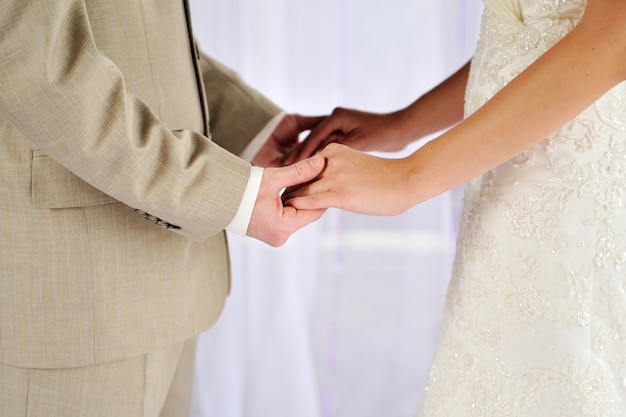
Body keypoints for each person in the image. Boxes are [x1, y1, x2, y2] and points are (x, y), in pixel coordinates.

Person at [286, 0, 626, 414]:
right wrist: (403, 124)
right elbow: (529, 28)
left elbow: (613, 41)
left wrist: (406, 177)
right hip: (498, 176)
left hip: (577, 185)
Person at [0, 1, 326, 416]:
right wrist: (228, 195)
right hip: (83, 298)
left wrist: (248, 127)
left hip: (169, 290)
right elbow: (37, 64)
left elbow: (141, 34)